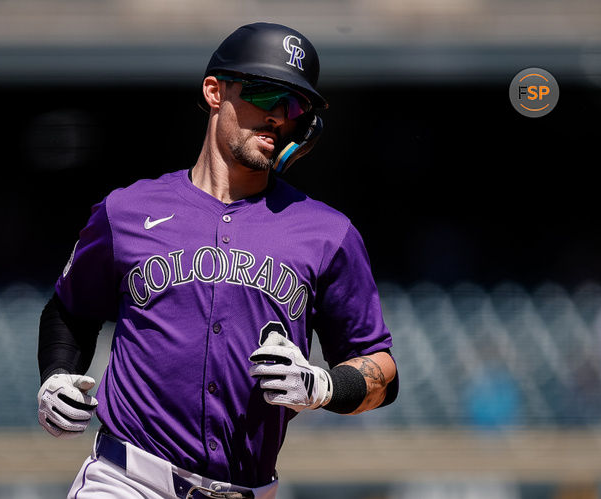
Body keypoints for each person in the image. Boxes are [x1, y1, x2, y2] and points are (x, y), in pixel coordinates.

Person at [36, 22, 398, 499]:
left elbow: (382, 370)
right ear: (214, 91)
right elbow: (70, 310)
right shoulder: (126, 210)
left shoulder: (327, 232)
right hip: (127, 481)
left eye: (295, 107)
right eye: (267, 94)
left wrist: (324, 385)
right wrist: (56, 378)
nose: (278, 117)